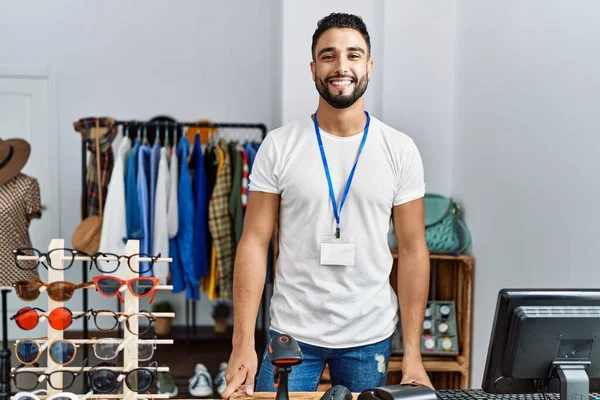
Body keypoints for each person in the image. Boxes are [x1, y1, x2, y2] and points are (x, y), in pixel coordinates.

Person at [221, 12, 433, 398]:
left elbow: (414, 248)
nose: (341, 66)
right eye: (328, 55)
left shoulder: (399, 149)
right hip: (292, 332)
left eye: (353, 55)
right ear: (313, 67)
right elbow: (253, 242)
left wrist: (414, 354)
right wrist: (241, 343)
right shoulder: (279, 145)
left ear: (368, 66)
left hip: (369, 334)